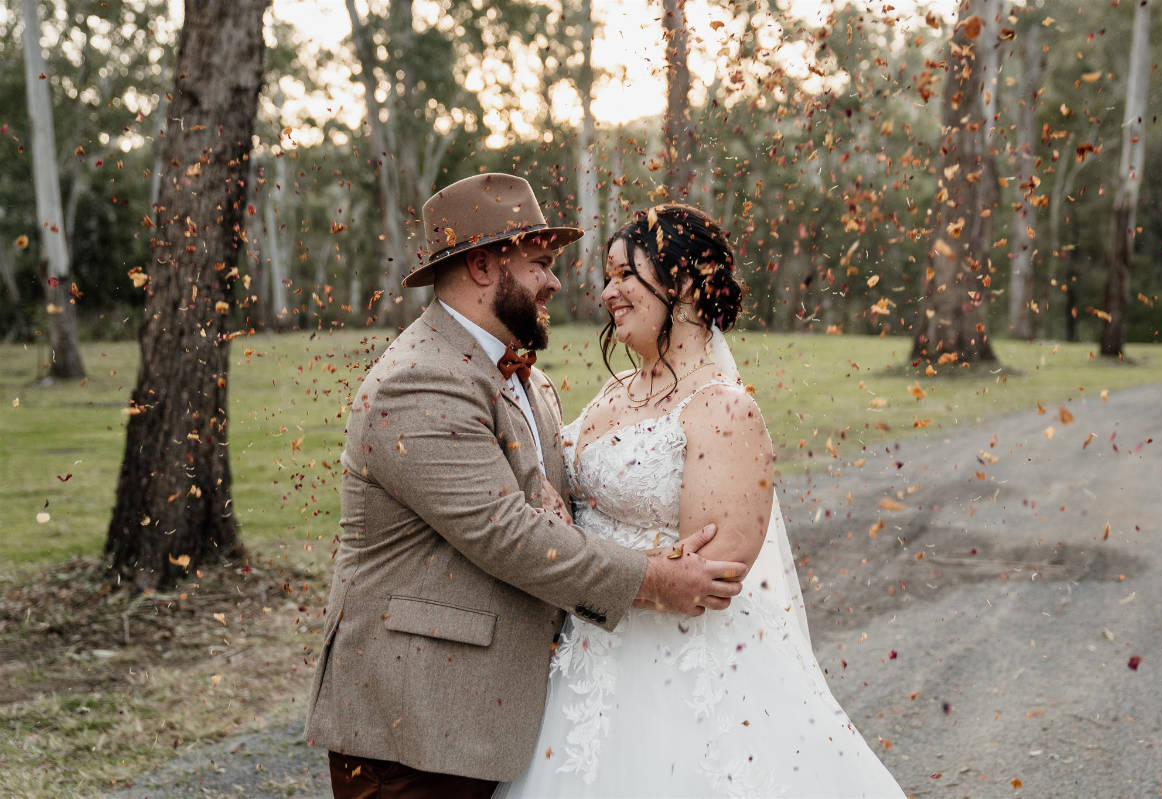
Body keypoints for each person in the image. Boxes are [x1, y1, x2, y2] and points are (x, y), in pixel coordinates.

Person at [303, 175, 749, 799]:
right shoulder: (419, 381)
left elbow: (549, 504)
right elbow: (506, 534)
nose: (556, 282)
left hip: (491, 711)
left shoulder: (523, 375)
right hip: (413, 725)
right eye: (540, 263)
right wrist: (656, 579)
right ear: (483, 267)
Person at [496, 204, 905, 797]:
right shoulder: (617, 391)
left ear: (686, 282)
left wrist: (572, 543)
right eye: (607, 277)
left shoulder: (725, 410)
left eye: (623, 275)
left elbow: (709, 574)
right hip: (588, 658)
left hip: (681, 675)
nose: (608, 292)